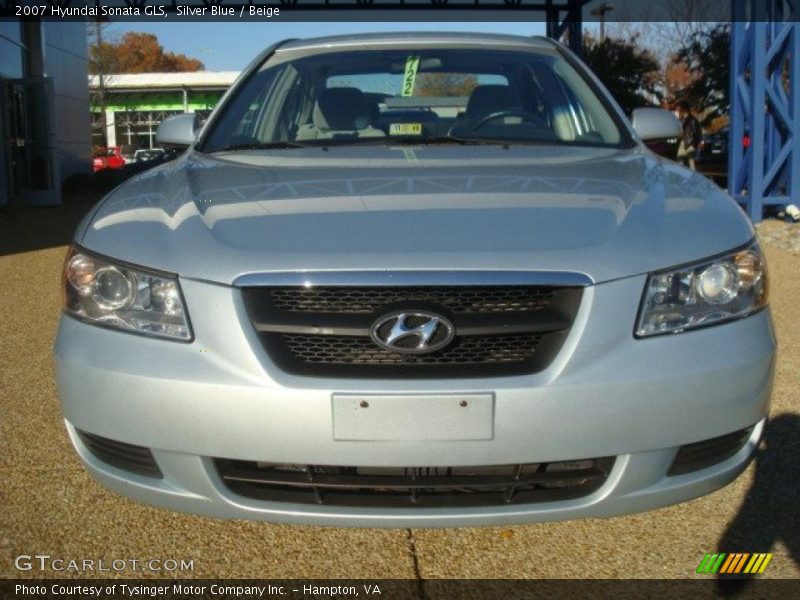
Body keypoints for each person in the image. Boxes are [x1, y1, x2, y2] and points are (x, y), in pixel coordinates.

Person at [677, 104, 702, 170]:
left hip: (689, 143)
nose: (678, 111)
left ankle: (690, 177)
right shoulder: (682, 119)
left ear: (684, 110)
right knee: (683, 161)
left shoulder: (692, 120)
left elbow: (698, 132)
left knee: (689, 163)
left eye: (679, 110)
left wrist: (696, 143)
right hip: (684, 143)